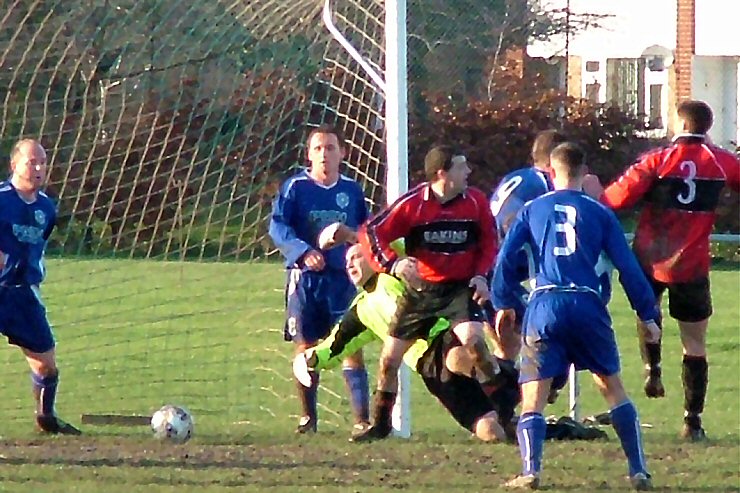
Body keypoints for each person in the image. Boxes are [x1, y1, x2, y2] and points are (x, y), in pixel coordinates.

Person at [492, 142, 660, 491]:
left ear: (551, 174)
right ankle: (638, 470)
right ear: (585, 174)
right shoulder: (600, 213)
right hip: (587, 303)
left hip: (545, 305)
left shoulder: (532, 209)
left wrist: (504, 301)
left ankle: (530, 471)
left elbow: (505, 260)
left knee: (534, 395)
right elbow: (628, 266)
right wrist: (646, 313)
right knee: (612, 388)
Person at [600, 100, 740, 441]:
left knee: (647, 315)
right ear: (707, 127)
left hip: (649, 259)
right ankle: (692, 422)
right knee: (695, 342)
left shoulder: (656, 160)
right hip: (692, 264)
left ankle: (653, 368)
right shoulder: (721, 162)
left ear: (678, 123)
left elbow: (614, 200)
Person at [293, 243, 520, 442]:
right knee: (491, 432)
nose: (350, 264)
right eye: (347, 261)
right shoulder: (360, 311)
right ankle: (530, 415)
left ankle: (519, 382)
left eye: (356, 256)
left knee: (457, 358)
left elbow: (389, 237)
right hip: (429, 370)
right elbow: (336, 346)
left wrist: (352, 236)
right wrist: (311, 359)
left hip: (441, 337)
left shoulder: (395, 274)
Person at [355, 145, 501, 442]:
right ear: (442, 174)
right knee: (389, 359)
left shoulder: (475, 202)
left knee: (474, 342)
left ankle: (502, 401)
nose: (468, 172)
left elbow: (489, 241)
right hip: (421, 292)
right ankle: (380, 425)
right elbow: (370, 231)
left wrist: (480, 275)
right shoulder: (413, 205)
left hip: (459, 289)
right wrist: (392, 264)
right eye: (462, 167)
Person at [268, 124, 370, 434]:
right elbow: (278, 227)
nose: (324, 154)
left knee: (351, 345)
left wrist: (358, 250)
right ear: (308, 155)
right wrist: (302, 251)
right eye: (318, 149)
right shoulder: (295, 187)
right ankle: (308, 418)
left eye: (330, 148)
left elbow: (364, 230)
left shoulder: (351, 190)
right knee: (306, 346)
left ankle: (361, 420)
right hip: (305, 281)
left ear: (342, 153)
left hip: (343, 281)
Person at [0, 139, 81, 435]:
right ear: (14, 165)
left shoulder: (47, 207)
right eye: (31, 161)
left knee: (46, 365)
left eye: (42, 163)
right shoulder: (1, 199)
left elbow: (38, 244)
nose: (38, 168)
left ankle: (46, 417)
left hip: (22, 294)